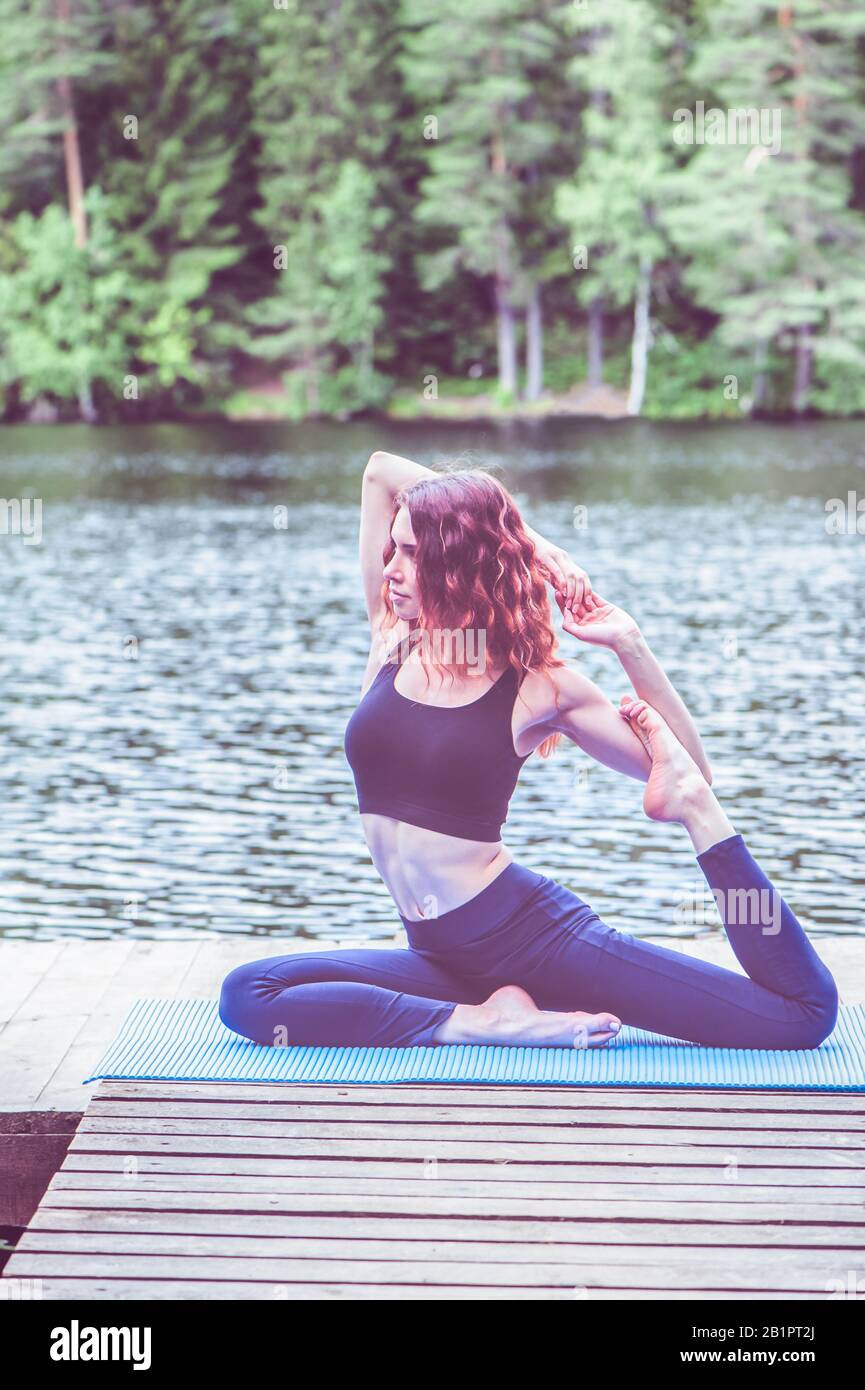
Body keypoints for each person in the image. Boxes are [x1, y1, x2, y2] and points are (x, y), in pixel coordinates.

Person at [218, 451, 838, 1052]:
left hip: (533, 939)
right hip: (439, 954)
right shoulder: (392, 637)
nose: (391, 569)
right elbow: (381, 469)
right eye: (393, 549)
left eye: (410, 553)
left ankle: (701, 832)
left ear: (456, 561)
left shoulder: (536, 686)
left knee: (799, 1018)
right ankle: (480, 1021)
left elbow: (689, 768)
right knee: (249, 993)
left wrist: (629, 644)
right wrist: (535, 542)